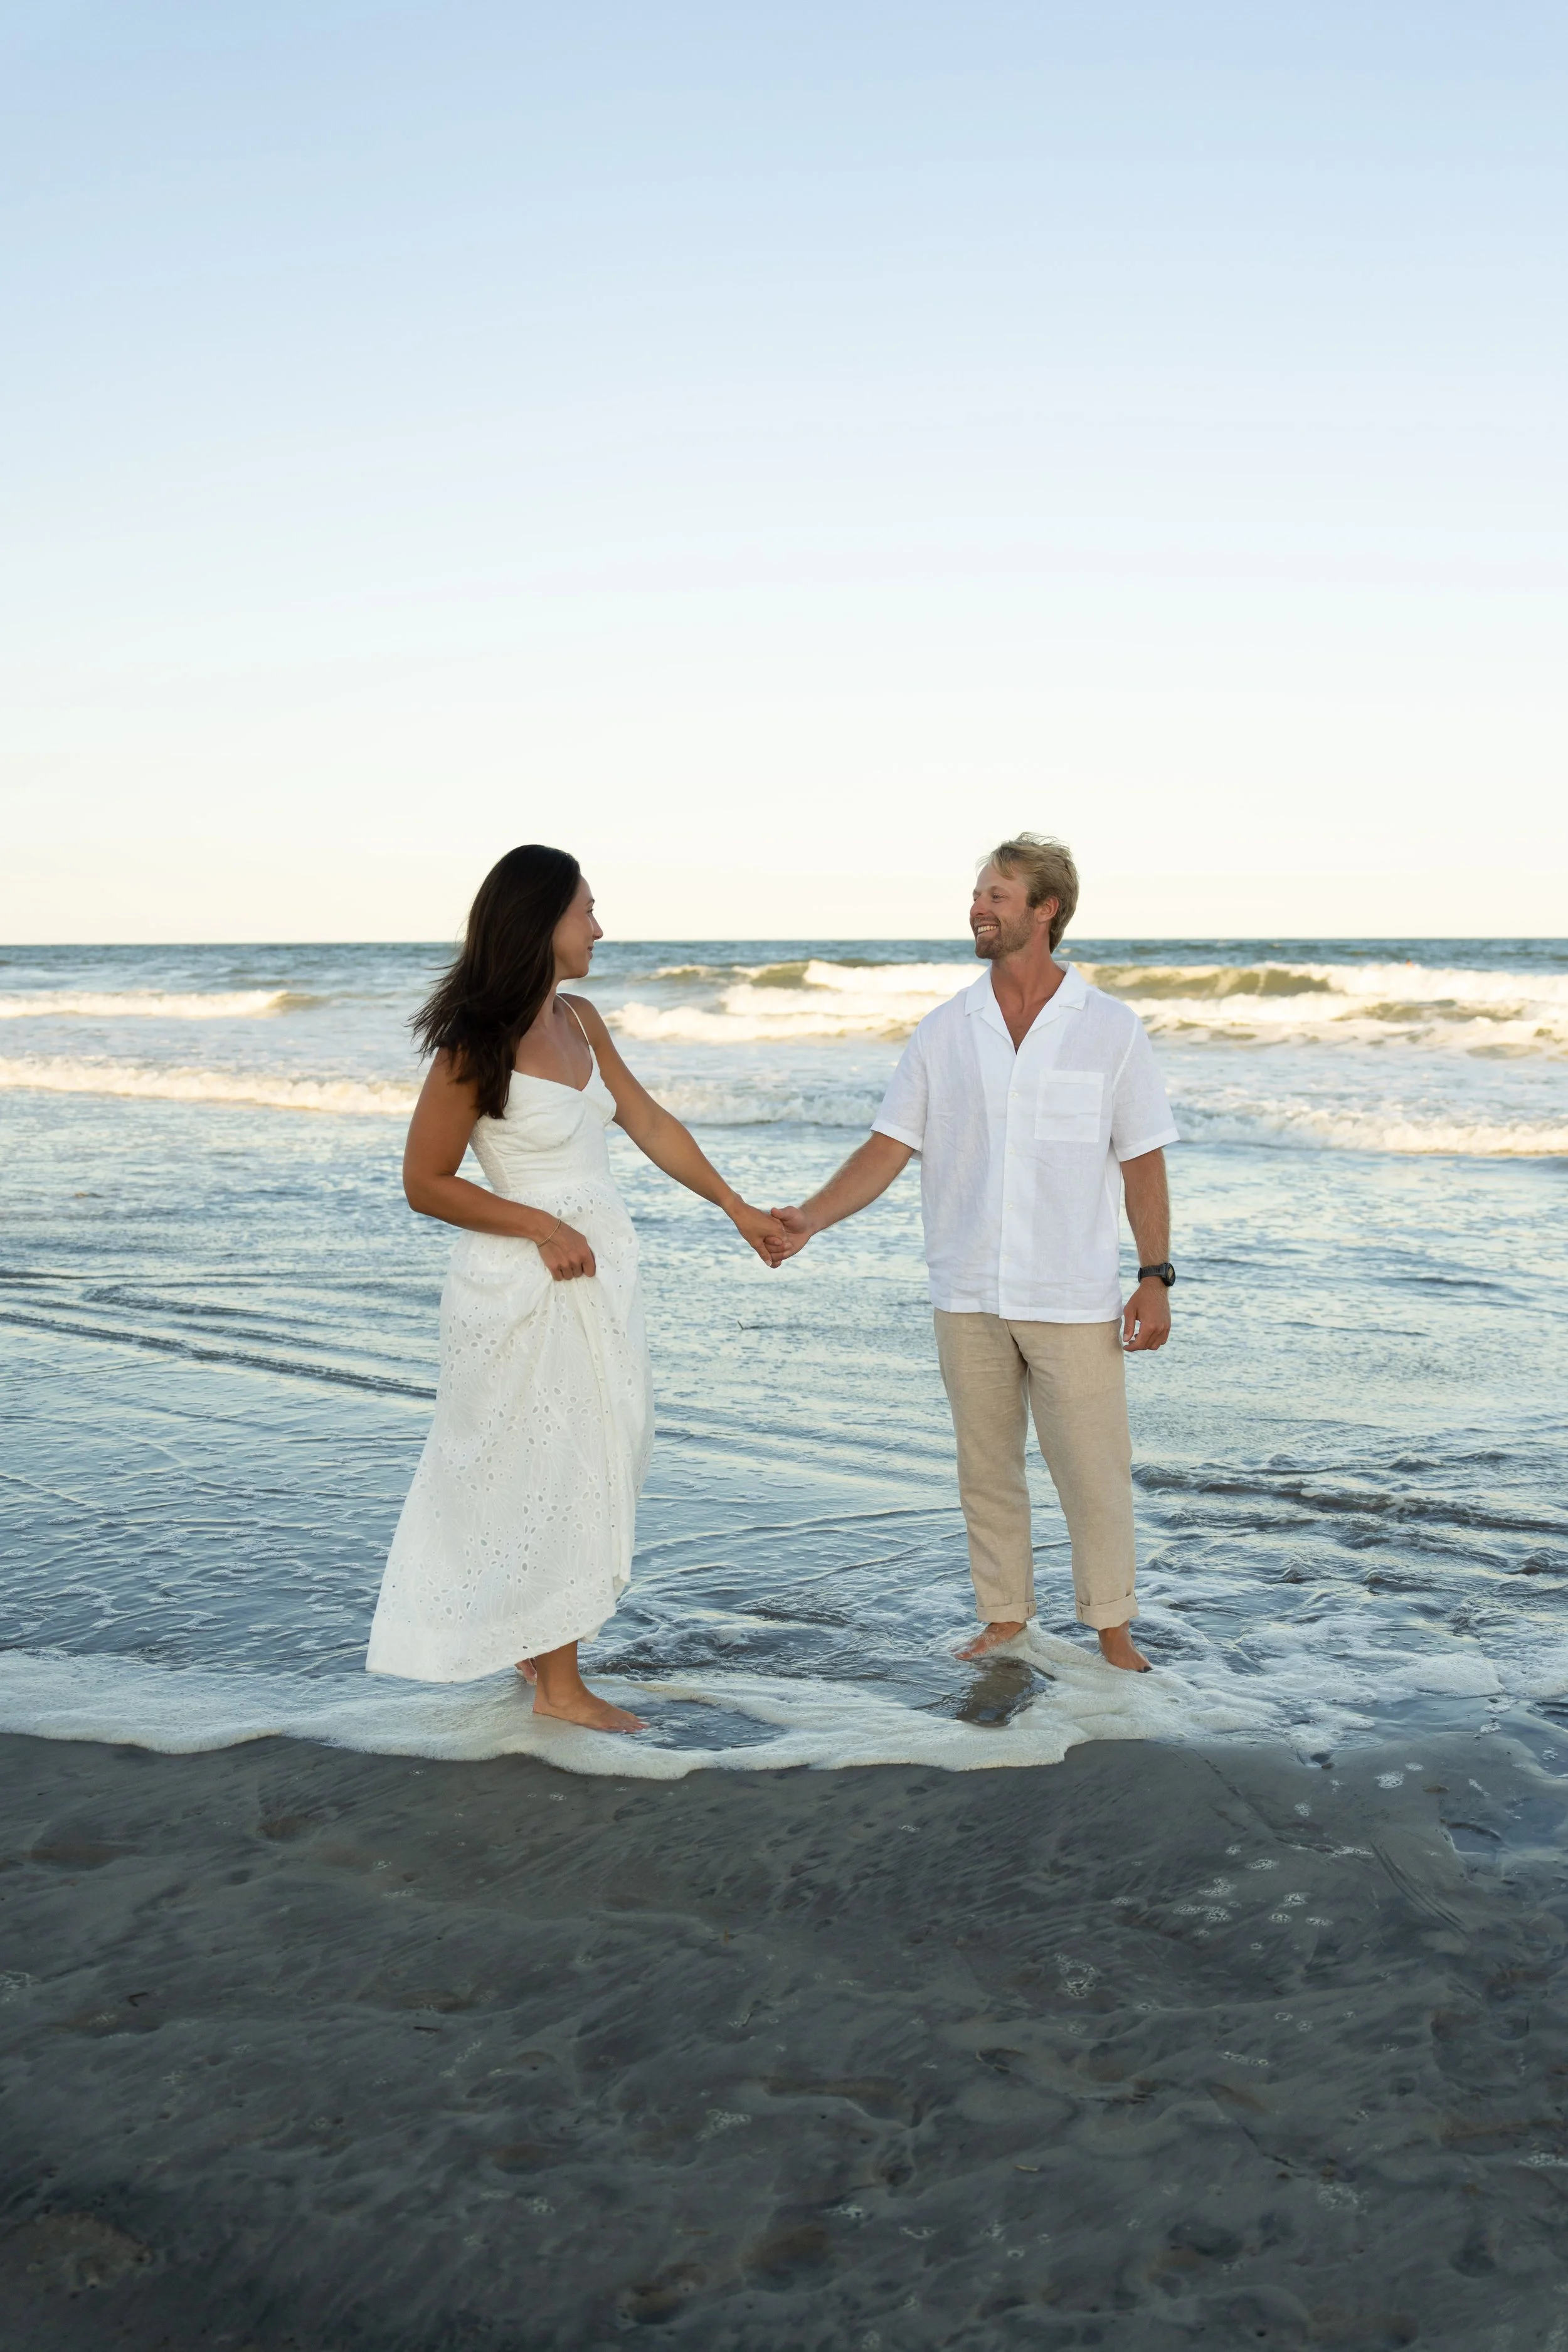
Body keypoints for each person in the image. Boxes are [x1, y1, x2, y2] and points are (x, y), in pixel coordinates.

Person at [366, 844, 784, 1731]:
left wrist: (734, 1205)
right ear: (540, 920)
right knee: (551, 1466)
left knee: (610, 1447)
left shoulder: (583, 1020)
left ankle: (535, 1636)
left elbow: (648, 1122)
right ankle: (559, 1684)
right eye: (586, 909)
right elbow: (425, 1179)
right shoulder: (474, 1041)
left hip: (598, 1278)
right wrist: (543, 1226)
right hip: (522, 1284)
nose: (600, 925)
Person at [767, 834, 1177, 1673]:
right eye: (979, 893)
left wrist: (1155, 1275)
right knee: (986, 1471)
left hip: (1071, 1294)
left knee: (1094, 1474)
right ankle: (1005, 1618)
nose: (978, 907)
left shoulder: (1110, 1029)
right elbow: (888, 1148)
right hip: (967, 1289)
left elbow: (1143, 1161)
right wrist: (810, 1217)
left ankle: (1113, 1630)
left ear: (1045, 909)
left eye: (997, 894)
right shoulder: (945, 1030)